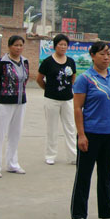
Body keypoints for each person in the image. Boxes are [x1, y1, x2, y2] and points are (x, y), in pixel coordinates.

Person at [70, 42, 110, 219]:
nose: (106, 57)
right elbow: (77, 108)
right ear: (93, 55)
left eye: (109, 54)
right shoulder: (85, 79)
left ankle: (107, 211)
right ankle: (79, 215)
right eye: (103, 54)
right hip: (90, 134)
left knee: (105, 175)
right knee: (84, 176)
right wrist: (81, 135)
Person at [0, 34, 29, 178]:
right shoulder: (2, 63)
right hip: (4, 103)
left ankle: (12, 164)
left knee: (15, 134)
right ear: (9, 46)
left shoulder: (25, 62)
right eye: (15, 45)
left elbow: (24, 81)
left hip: (20, 103)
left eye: (21, 45)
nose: (18, 48)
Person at [36, 34, 77, 165]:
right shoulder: (48, 62)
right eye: (60, 44)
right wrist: (48, 89)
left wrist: (68, 89)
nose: (63, 47)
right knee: (52, 128)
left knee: (70, 127)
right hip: (51, 99)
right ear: (55, 46)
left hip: (67, 99)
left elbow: (73, 77)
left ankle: (73, 156)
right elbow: (39, 79)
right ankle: (50, 155)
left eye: (65, 45)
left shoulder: (70, 61)